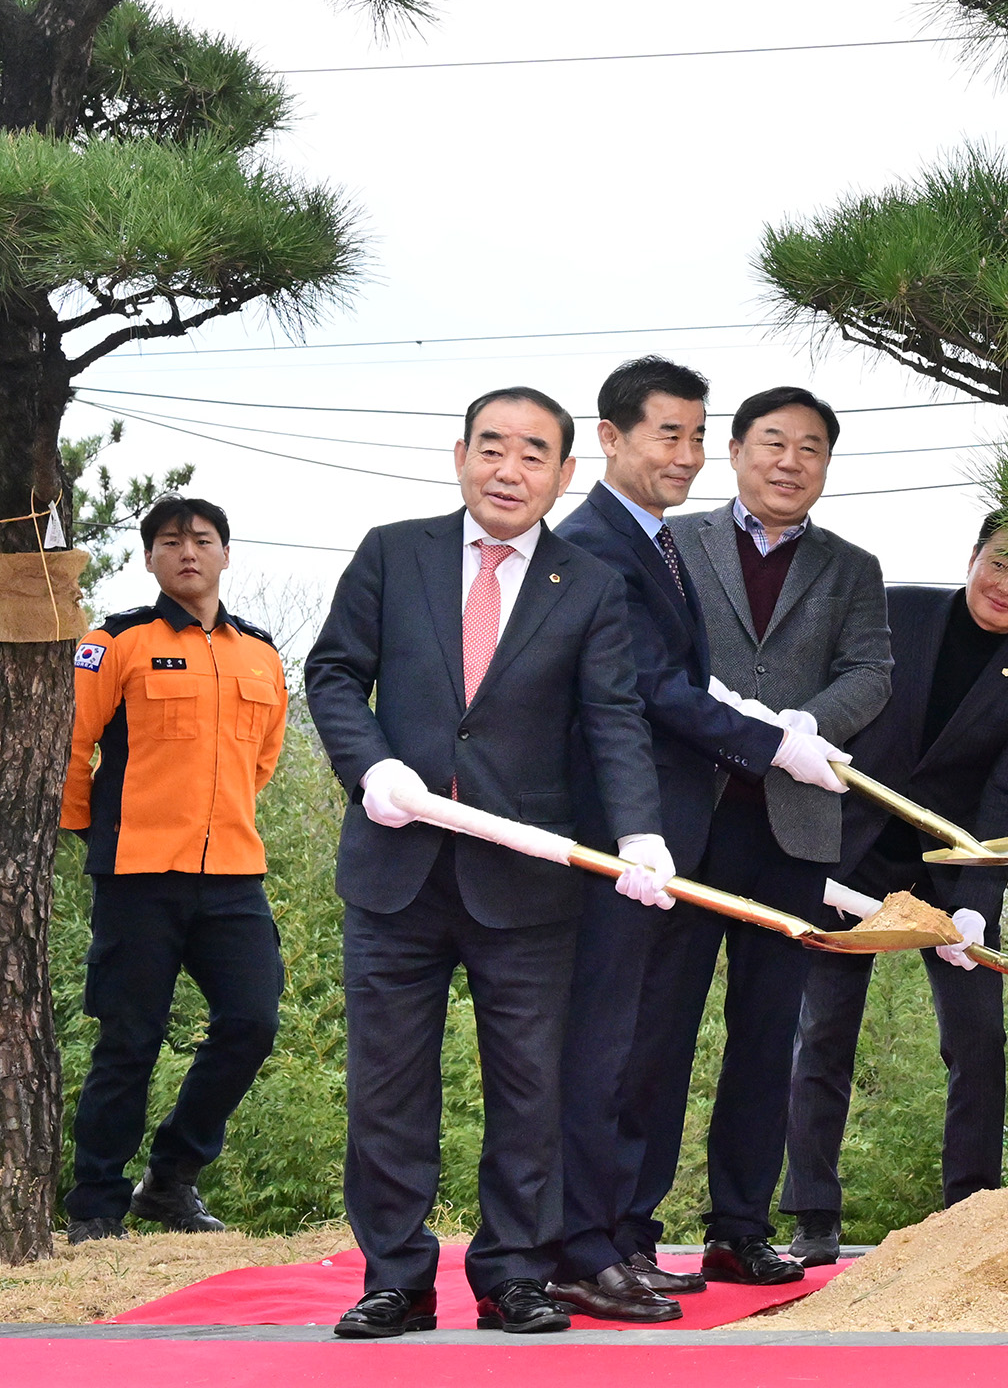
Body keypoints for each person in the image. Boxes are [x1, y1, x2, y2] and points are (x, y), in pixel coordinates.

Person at [306, 387, 674, 1339]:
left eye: (533, 455)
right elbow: (335, 673)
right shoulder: (395, 551)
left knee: (529, 1091)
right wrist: (370, 764)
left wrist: (640, 831)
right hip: (395, 871)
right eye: (492, 449)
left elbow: (615, 720)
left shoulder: (587, 584)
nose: (509, 470)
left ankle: (515, 1272)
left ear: (563, 473)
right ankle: (394, 1277)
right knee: (389, 1087)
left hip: (525, 884)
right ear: (460, 454)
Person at [547, 358, 828, 1321]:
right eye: (670, 434)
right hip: (620, 833)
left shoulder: (652, 541)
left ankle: (615, 1236)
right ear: (612, 437)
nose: (690, 455)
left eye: (699, 435)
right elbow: (651, 691)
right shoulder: (595, 544)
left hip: (672, 834)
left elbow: (678, 678)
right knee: (607, 1050)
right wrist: (769, 747)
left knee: (644, 1043)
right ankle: (583, 1245)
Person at [623, 385, 891, 1284]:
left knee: (768, 1032)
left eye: (810, 449)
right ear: (734, 452)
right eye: (772, 443)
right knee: (655, 1025)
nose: (789, 462)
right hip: (686, 819)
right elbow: (650, 668)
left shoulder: (852, 567)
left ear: (825, 466)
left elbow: (871, 674)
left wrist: (807, 728)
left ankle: (739, 1227)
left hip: (793, 826)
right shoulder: (675, 543)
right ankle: (627, 1221)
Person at [783, 518, 1008, 1261]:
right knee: (822, 1031)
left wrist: (978, 902)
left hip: (956, 867)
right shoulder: (894, 611)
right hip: (849, 848)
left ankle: (969, 1213)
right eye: (1000, 562)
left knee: (979, 1039)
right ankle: (812, 1215)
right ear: (971, 556)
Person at [60, 497, 288, 1242]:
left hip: (232, 874)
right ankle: (96, 1204)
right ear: (150, 558)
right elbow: (72, 744)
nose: (188, 551)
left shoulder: (260, 653)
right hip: (136, 874)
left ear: (225, 552)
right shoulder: (113, 640)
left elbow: (261, 761)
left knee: (252, 1023)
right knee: (130, 1037)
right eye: (170, 541)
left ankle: (171, 1179)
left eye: (203, 539)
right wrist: (84, 833)